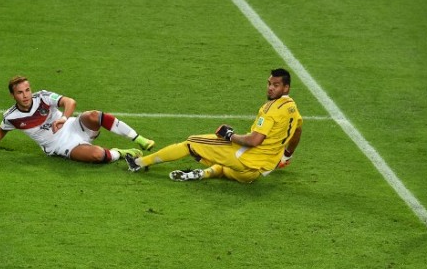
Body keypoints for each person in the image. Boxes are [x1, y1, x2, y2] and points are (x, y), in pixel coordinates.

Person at [125, 68, 303, 183]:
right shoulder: (292, 108)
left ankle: (139, 163)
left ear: (286, 88)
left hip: (244, 157)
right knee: (230, 170)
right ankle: (205, 173)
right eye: (269, 83)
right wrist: (286, 155)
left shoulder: (270, 109)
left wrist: (229, 135)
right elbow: (298, 130)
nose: (270, 88)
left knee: (191, 143)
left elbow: (255, 140)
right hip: (258, 170)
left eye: (276, 85)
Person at [0, 76, 155, 165]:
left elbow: (69, 101)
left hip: (72, 125)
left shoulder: (42, 97)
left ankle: (139, 139)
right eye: (20, 92)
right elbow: (2, 129)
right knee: (98, 156)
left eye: (27, 90)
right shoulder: (12, 116)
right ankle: (120, 153)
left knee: (94, 115)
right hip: (59, 145)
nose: (25, 95)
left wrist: (64, 118)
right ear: (12, 95)